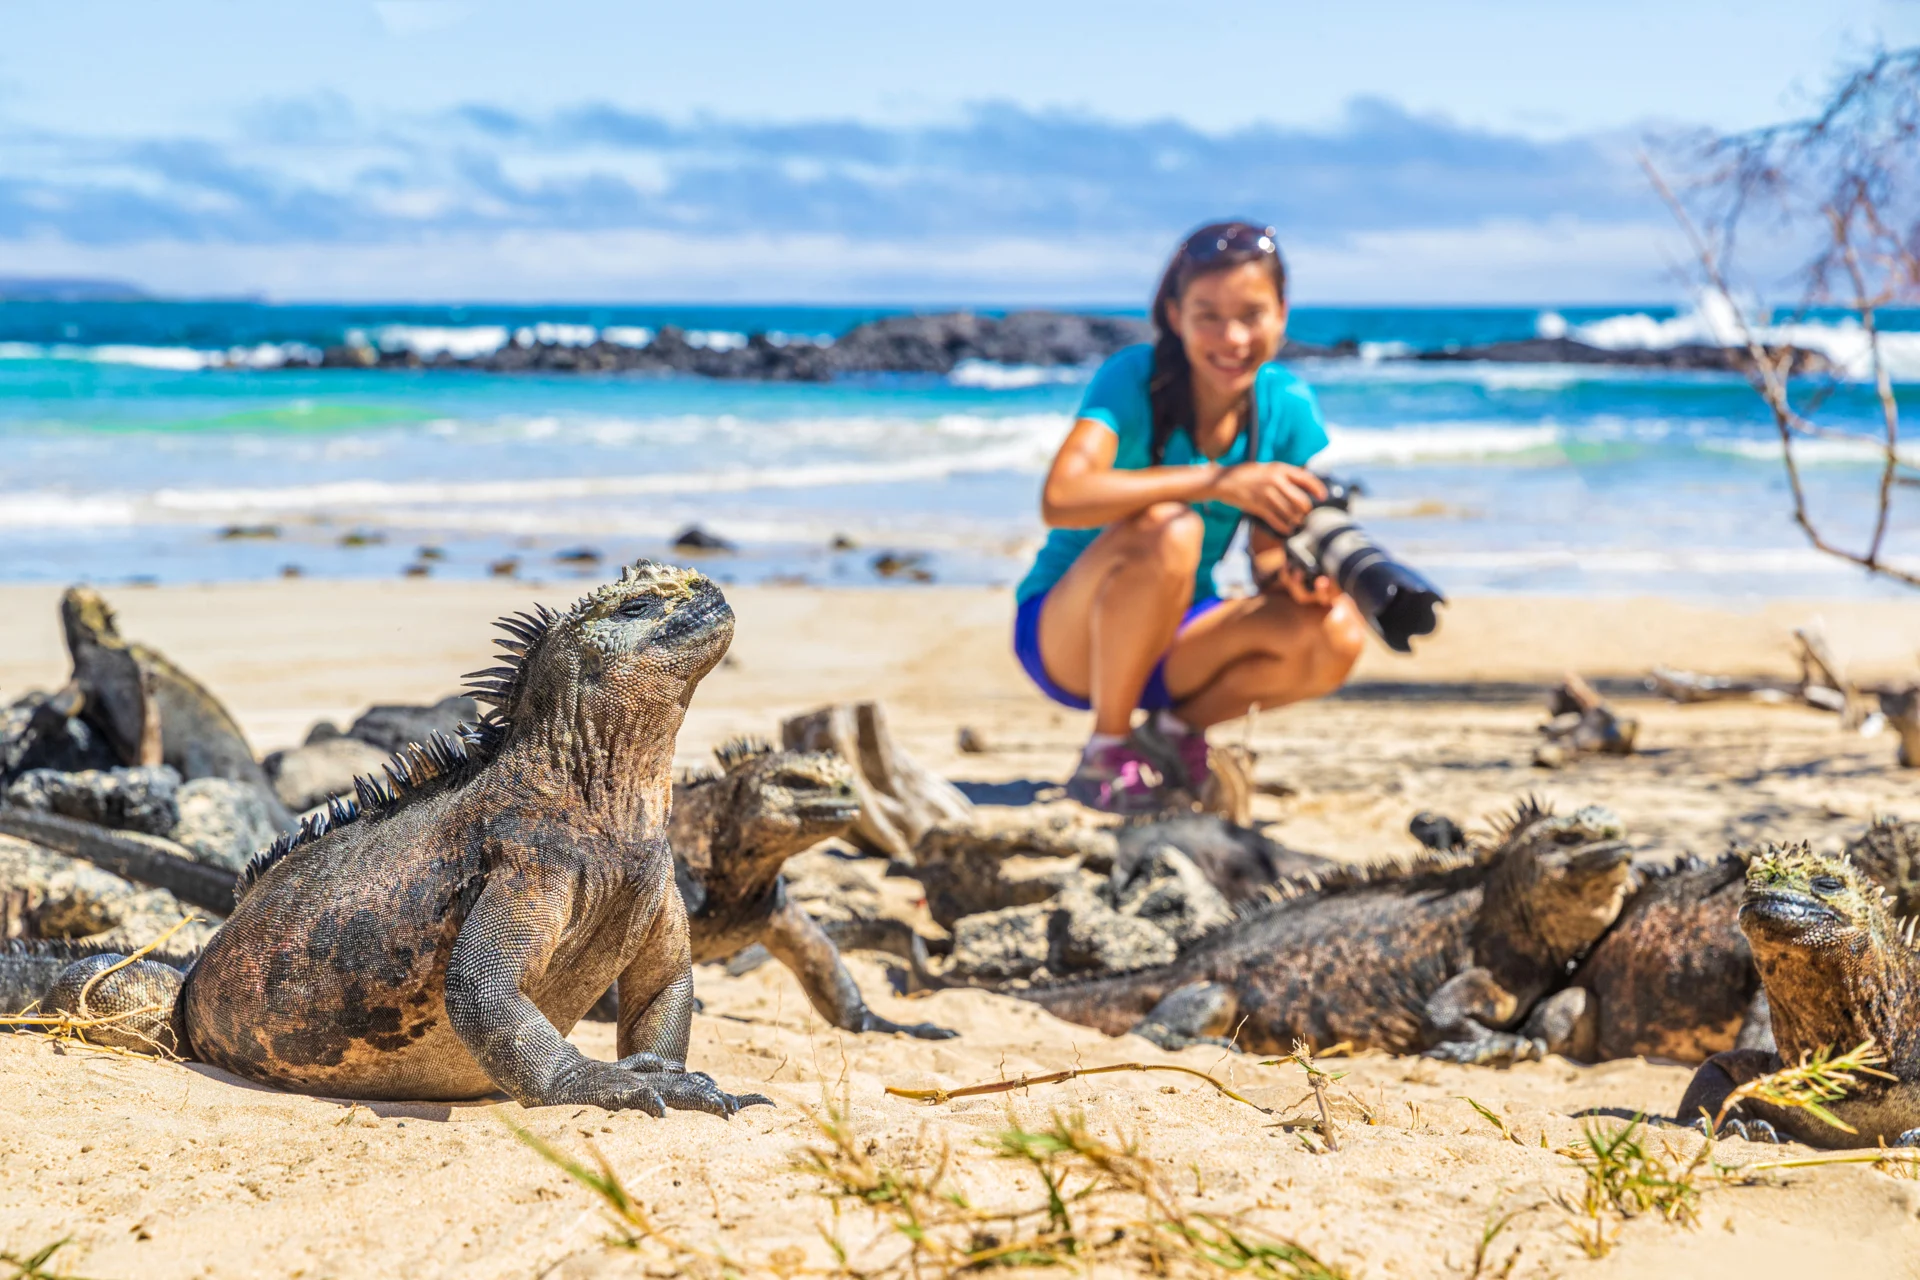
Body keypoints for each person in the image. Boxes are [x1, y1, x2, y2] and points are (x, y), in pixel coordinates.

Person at [1013, 221, 1368, 813]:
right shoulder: (1133, 377)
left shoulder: (1286, 407)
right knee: (1173, 528)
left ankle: (1172, 735)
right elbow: (1062, 495)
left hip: (1181, 640)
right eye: (1208, 315)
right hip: (1069, 634)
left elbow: (1267, 560)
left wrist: (1300, 583)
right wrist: (1221, 482)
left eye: (1250, 314)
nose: (1231, 337)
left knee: (1336, 632)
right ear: (1175, 316)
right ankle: (1106, 746)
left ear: (1281, 314)